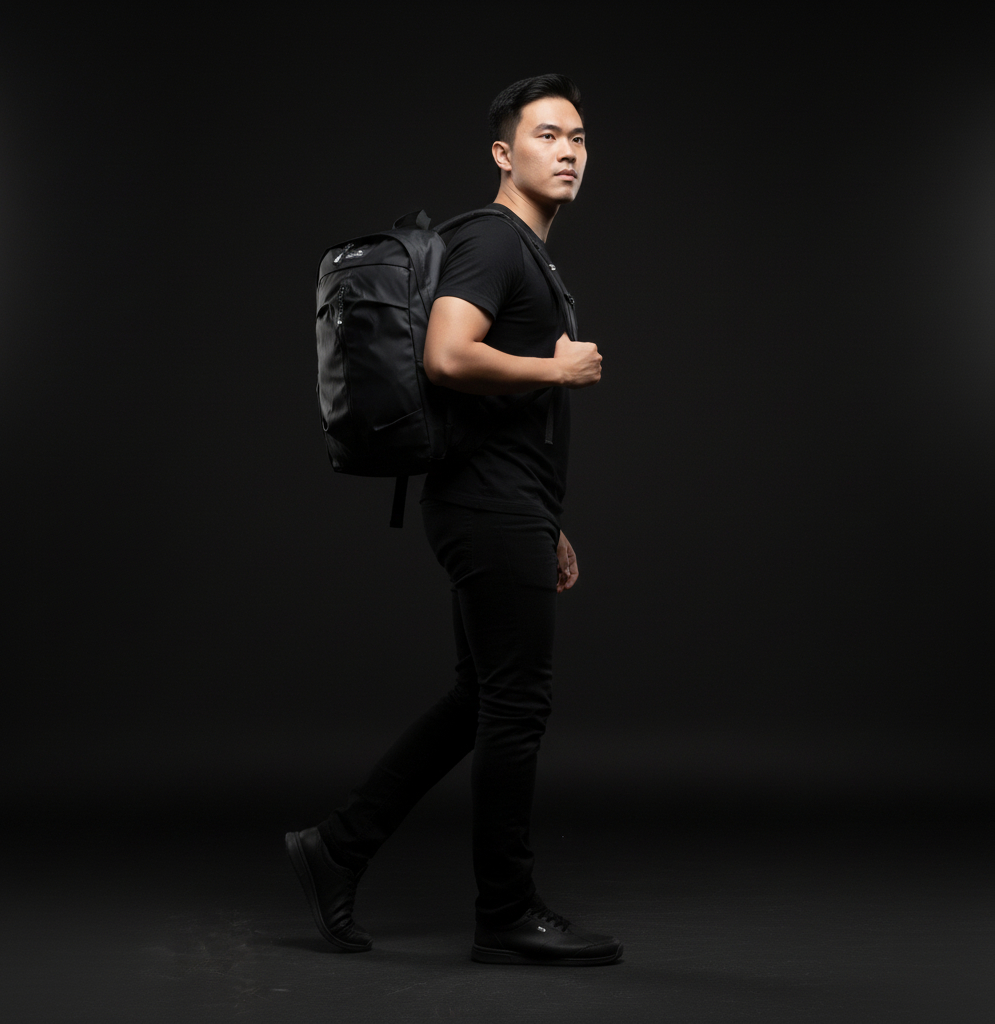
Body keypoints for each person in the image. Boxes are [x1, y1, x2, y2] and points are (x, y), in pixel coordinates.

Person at [286, 74, 622, 966]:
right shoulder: (493, 240)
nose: (568, 151)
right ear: (503, 154)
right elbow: (445, 355)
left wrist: (545, 521)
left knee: (481, 699)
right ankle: (505, 913)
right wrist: (557, 370)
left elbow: (498, 417)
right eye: (547, 135)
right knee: (518, 705)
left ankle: (336, 848)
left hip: (501, 504)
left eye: (578, 138)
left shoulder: (527, 253)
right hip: (485, 506)